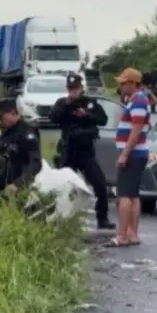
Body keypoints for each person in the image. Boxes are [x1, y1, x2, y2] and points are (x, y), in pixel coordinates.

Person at [50, 73, 115, 229]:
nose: (73, 91)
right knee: (63, 186)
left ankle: (102, 218)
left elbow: (103, 119)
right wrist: (67, 105)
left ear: (81, 88)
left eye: (76, 88)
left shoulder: (89, 103)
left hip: (86, 151)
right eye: (71, 88)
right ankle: (59, 217)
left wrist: (87, 115)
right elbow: (53, 117)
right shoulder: (61, 103)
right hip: (69, 150)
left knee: (100, 184)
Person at [107, 67, 151, 248]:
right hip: (136, 153)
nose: (121, 87)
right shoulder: (135, 100)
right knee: (133, 195)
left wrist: (125, 154)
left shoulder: (139, 101)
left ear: (133, 83)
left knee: (124, 195)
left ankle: (123, 235)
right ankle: (132, 233)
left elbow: (136, 130)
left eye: (123, 83)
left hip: (133, 153)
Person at [0, 98, 42, 198]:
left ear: (12, 113)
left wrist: (18, 184)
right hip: (0, 188)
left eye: (0, 118)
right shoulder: (6, 133)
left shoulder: (27, 133)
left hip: (18, 189)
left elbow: (35, 163)